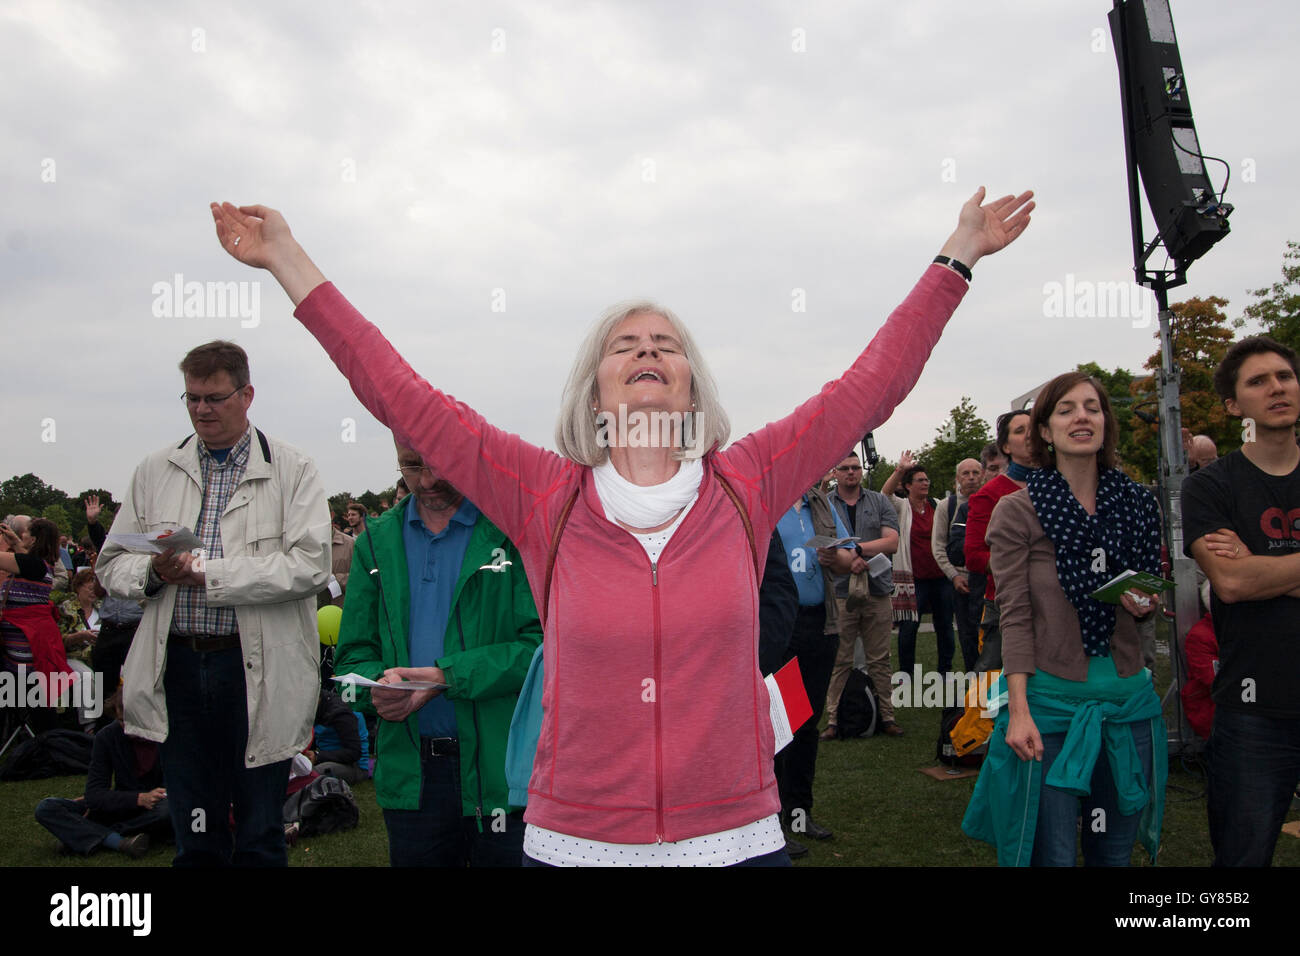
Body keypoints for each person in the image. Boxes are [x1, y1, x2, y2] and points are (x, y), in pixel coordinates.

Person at [211, 184, 1033, 865]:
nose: (647, 349)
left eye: (666, 344)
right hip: (576, 842)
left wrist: (956, 256)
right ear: (594, 390)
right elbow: (400, 392)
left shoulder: (747, 482)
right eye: (624, 344)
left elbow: (870, 385)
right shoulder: (544, 495)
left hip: (738, 838)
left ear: (691, 386)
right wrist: (287, 259)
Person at [95, 340, 332, 867]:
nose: (202, 409)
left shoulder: (294, 469)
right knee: (194, 829)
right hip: (177, 665)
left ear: (247, 395)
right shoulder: (155, 470)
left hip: (256, 669)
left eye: (215, 398)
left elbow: (310, 565)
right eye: (192, 398)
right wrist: (153, 573)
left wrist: (208, 573)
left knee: (259, 830)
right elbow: (110, 565)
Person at [962, 372, 1165, 866]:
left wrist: (1141, 601)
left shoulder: (1137, 502)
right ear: (1046, 433)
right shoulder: (1017, 511)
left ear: (1105, 423)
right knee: (1051, 854)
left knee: (1114, 854)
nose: (1082, 417)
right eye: (1067, 409)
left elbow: (1146, 586)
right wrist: (1021, 709)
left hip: (1127, 704)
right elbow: (1013, 614)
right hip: (1049, 708)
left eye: (1093, 408)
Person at [334, 439, 541, 866]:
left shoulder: (510, 531)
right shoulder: (374, 541)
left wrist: (446, 676)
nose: (427, 481)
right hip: (413, 775)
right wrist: (378, 692)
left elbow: (538, 650)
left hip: (500, 771)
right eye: (412, 467)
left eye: (440, 464)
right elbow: (351, 661)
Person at [1182, 335, 1300, 866]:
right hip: (1253, 711)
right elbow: (1229, 584)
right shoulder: (1210, 487)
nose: (1277, 387)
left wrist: (1260, 565)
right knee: (1240, 863)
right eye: (1258, 381)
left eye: (1285, 376)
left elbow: (1248, 575)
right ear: (1234, 405)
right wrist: (1245, 571)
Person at [771, 484, 852, 847]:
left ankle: (800, 816)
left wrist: (835, 559)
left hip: (821, 624)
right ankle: (770, 823)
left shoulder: (821, 503)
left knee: (806, 723)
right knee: (780, 725)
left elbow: (850, 557)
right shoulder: (769, 501)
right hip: (782, 627)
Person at [34, 689, 172, 858]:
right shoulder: (107, 736)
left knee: (168, 810)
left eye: (134, 721)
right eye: (122, 721)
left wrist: (153, 797)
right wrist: (137, 798)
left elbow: (177, 788)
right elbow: (94, 794)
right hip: (123, 803)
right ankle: (117, 841)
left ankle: (87, 834)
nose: (127, 728)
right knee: (47, 807)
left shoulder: (168, 734)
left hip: (156, 807)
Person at [822, 452, 901, 738]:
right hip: (840, 591)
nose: (852, 472)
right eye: (845, 468)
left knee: (879, 657)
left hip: (877, 588)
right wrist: (849, 559)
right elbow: (821, 543)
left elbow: (891, 542)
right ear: (836, 472)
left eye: (856, 467)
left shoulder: (879, 501)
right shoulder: (826, 502)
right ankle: (833, 719)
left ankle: (887, 716)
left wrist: (856, 551)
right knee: (840, 659)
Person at [964, 410, 1035, 669]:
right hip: (1005, 602)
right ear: (1006, 447)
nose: (1030, 435)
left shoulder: (1060, 487)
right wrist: (1025, 561)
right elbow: (973, 557)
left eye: (1034, 427)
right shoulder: (989, 495)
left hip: (1054, 602)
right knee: (995, 683)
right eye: (1019, 431)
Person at [885, 463, 956, 680]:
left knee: (944, 625)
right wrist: (899, 469)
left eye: (927, 480)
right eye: (920, 480)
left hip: (941, 577)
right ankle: (906, 674)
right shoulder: (902, 507)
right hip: (913, 579)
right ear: (907, 486)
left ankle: (945, 671)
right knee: (909, 627)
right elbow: (885, 493)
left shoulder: (937, 505)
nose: (925, 483)